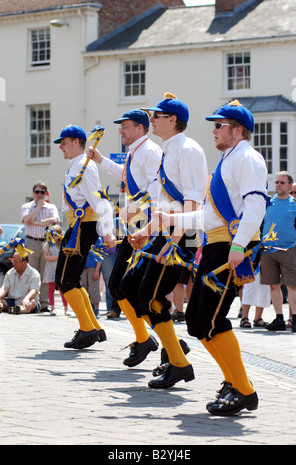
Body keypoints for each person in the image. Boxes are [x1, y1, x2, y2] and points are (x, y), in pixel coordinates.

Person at [158, 100, 268, 414]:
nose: (214, 130)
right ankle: (233, 381)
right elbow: (208, 216)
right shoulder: (228, 160)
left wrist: (238, 245)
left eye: (219, 125)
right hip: (218, 246)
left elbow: (256, 205)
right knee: (196, 320)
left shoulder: (247, 157)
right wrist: (172, 220)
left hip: (233, 247)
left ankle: (243, 389)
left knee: (212, 319)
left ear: (238, 130)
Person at [125, 93, 208, 389]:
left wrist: (173, 242)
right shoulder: (169, 149)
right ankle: (175, 355)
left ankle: (178, 361)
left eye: (157, 116)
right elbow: (165, 202)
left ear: (173, 120)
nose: (152, 120)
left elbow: (193, 203)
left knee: (150, 297)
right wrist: (146, 230)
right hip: (166, 232)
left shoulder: (188, 149)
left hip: (181, 234)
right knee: (136, 291)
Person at [88, 109, 163, 366]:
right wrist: (101, 160)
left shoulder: (150, 151)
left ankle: (159, 341)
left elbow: (157, 186)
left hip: (145, 224)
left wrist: (139, 213)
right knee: (120, 285)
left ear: (140, 128)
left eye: (125, 126)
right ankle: (148, 339)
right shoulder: (136, 152)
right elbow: (127, 176)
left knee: (128, 286)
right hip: (134, 224)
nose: (121, 130)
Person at [53, 124, 116, 349]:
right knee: (71, 278)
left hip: (82, 228)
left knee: (64, 279)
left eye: (64, 141)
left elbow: (101, 202)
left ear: (77, 142)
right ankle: (93, 327)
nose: (60, 146)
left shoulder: (85, 166)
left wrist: (108, 232)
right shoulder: (76, 166)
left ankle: (88, 329)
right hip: (78, 227)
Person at [260, 171, 296, 332]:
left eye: (282, 182)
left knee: (292, 285)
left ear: (289, 185)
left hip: (288, 249)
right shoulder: (268, 202)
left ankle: (295, 318)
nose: (278, 185)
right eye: (277, 182)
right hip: (268, 250)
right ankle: (279, 318)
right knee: (273, 286)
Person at [21, 181, 60, 311]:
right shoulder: (27, 206)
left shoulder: (51, 207)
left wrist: (36, 222)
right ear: (33, 193)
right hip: (31, 241)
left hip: (46, 242)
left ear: (45, 193)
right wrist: (38, 208)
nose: (39, 194)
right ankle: (31, 301)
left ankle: (44, 303)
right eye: (37, 192)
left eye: (42, 192)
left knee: (45, 273)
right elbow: (26, 220)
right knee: (32, 272)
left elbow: (55, 220)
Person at [43, 225, 69, 316]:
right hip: (51, 269)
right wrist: (58, 258)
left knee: (62, 289)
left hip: (60, 268)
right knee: (51, 289)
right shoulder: (47, 245)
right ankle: (52, 308)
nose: (54, 236)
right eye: (52, 234)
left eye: (56, 234)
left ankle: (66, 308)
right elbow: (47, 257)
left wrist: (53, 258)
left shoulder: (62, 244)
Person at [287, 182, 296, 327]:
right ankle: (292, 317)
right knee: (294, 285)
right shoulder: (291, 207)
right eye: (292, 192)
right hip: (293, 250)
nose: (293, 195)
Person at [80, 251, 101, 318]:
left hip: (93, 267)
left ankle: (96, 310)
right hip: (82, 267)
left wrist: (97, 270)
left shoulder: (98, 240)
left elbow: (100, 256)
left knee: (93, 288)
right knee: (83, 289)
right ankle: (84, 311)